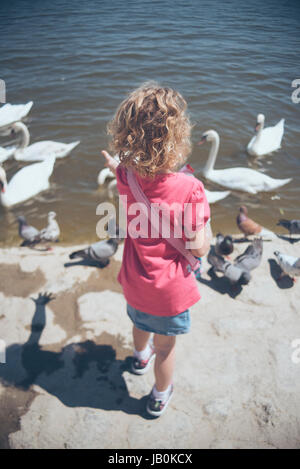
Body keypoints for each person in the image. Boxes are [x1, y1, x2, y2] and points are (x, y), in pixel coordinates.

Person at [102, 82, 211, 417]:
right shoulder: (190, 188)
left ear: (125, 136)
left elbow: (124, 170)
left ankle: (138, 358)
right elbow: (200, 248)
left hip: (135, 280)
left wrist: (115, 166)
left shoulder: (125, 177)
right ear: (179, 139)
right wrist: (205, 226)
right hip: (170, 292)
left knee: (139, 323)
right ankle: (159, 395)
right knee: (166, 349)